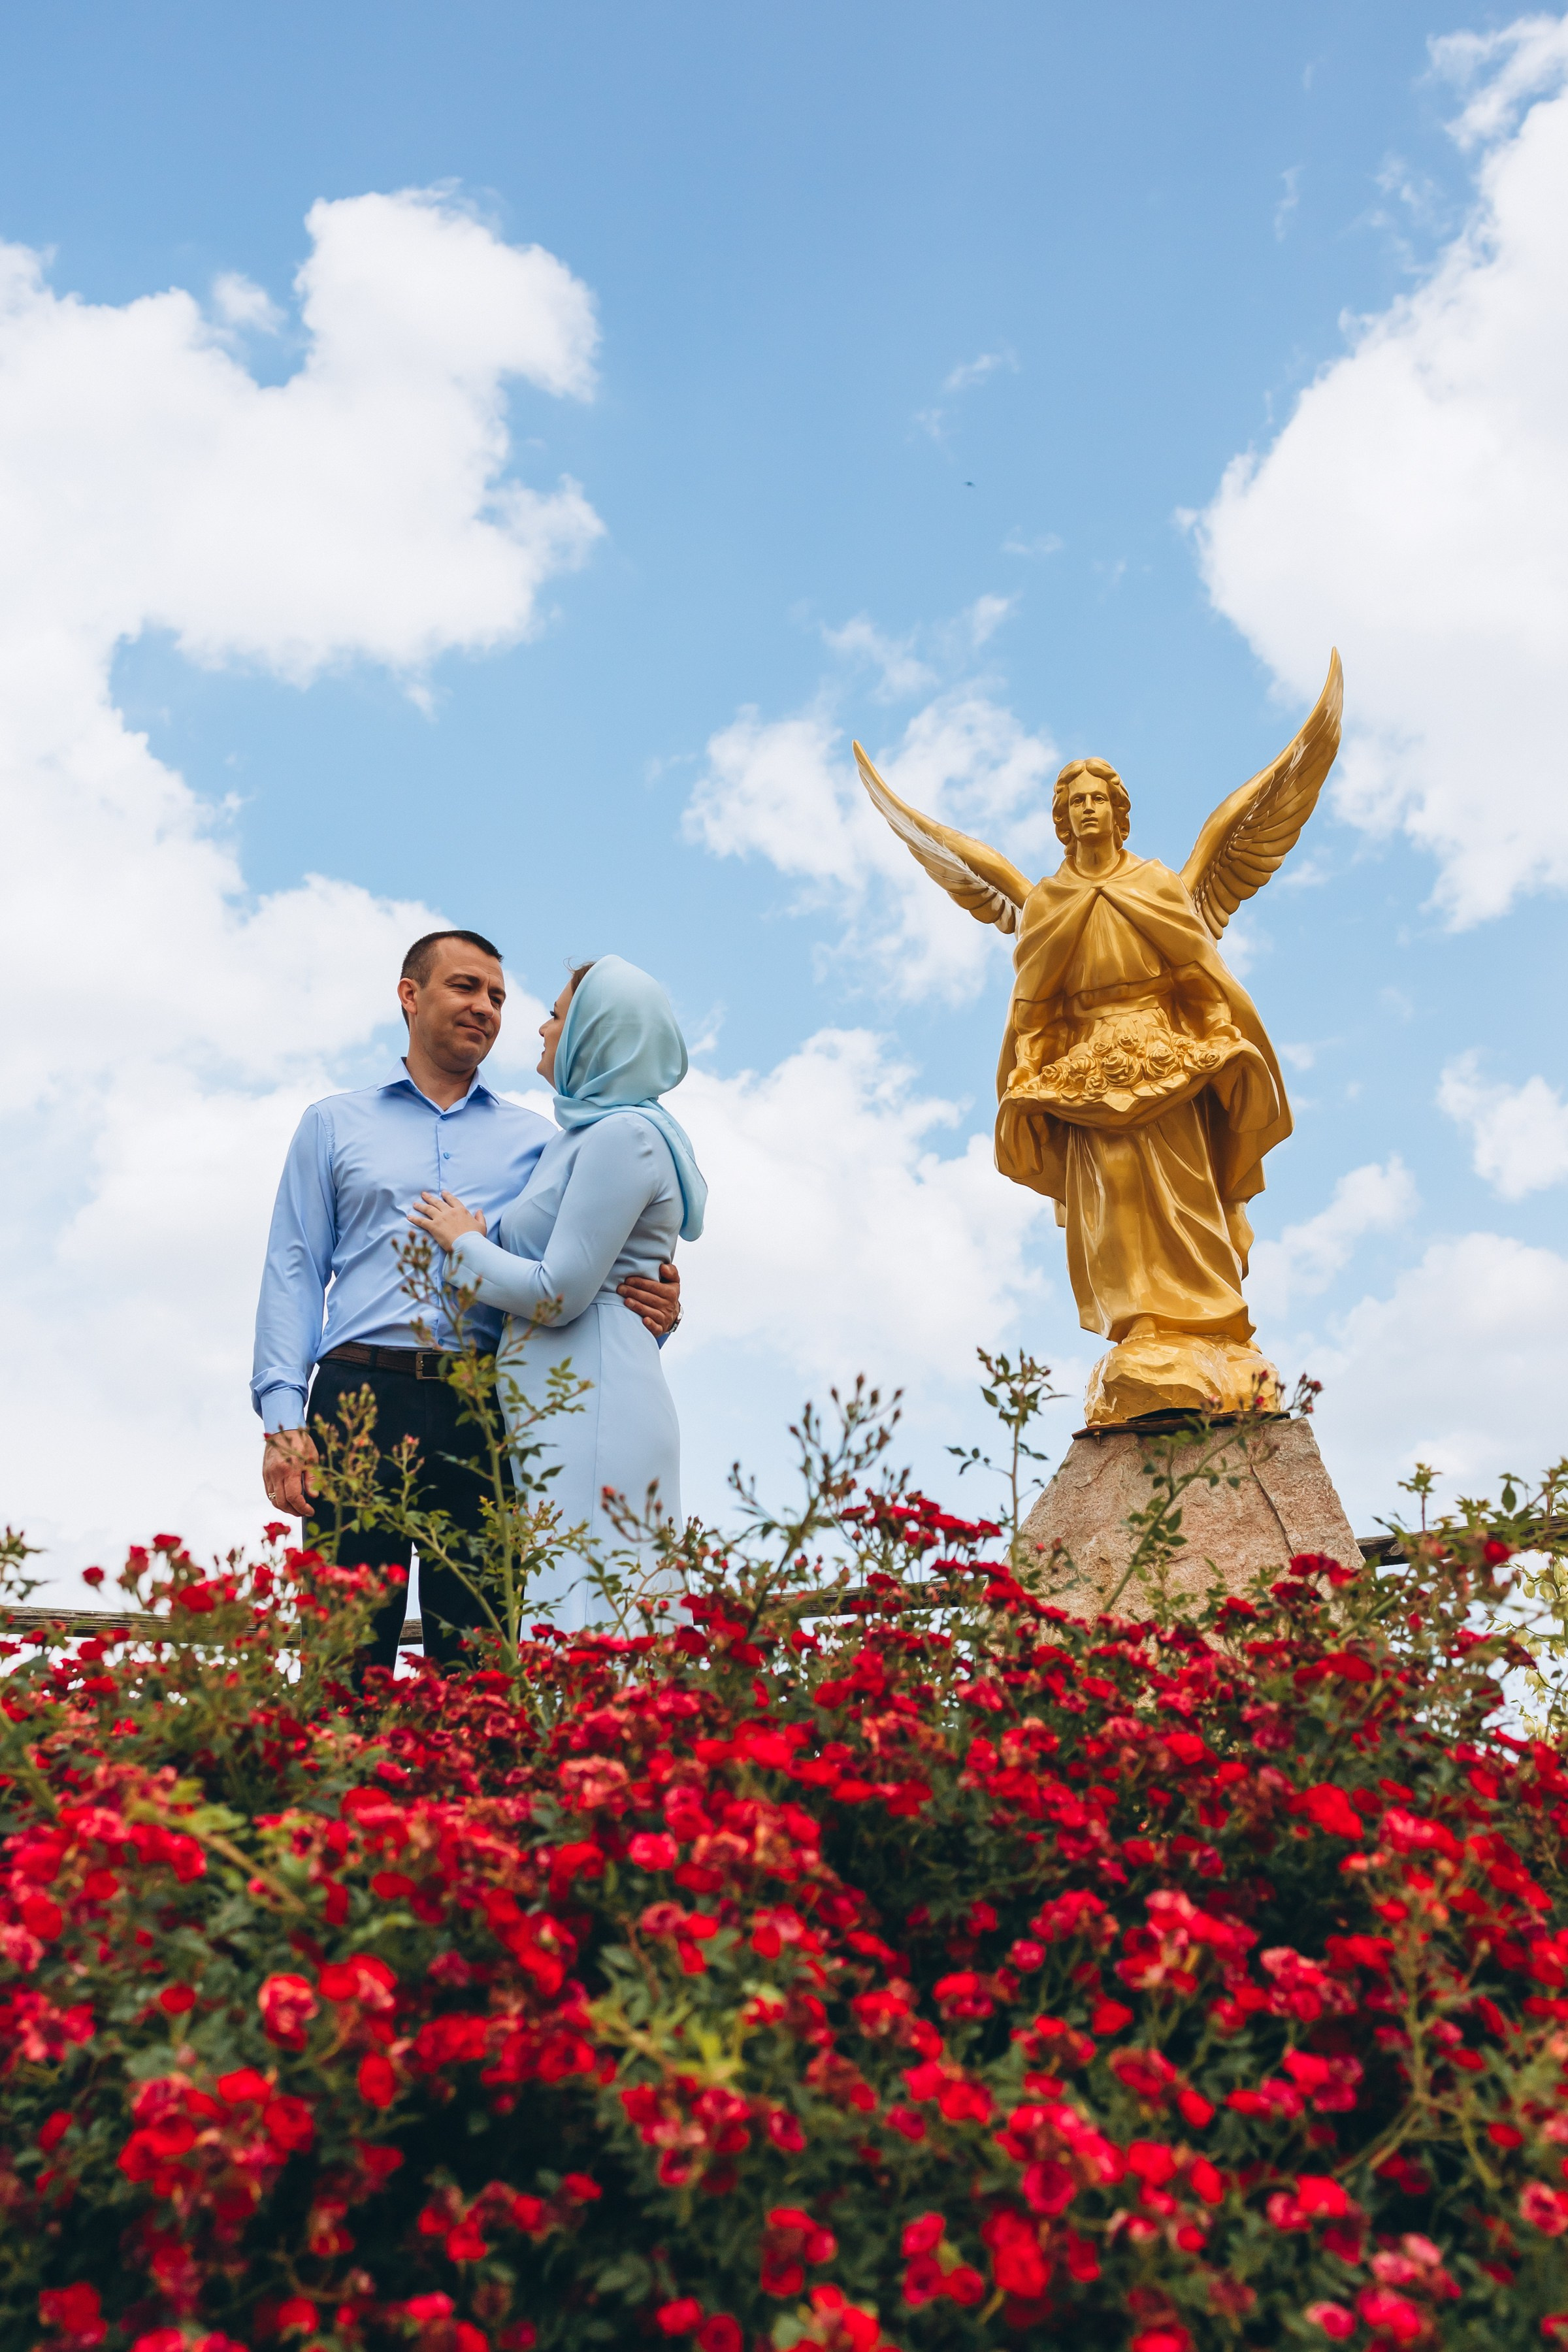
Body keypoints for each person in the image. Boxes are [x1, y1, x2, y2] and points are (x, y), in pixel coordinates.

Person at [252, 930, 681, 1669]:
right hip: (358, 1401)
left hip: (489, 1412)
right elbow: (294, 1270)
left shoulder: (544, 1143)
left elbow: (586, 1268)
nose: (486, 1006)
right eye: (465, 986)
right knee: (343, 1660)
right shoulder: (331, 1125)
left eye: (499, 997)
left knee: (479, 1666)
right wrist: (282, 1420)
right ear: (409, 995)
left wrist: (657, 1311)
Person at [410, 955, 704, 1619]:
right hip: (562, 1405)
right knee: (569, 1598)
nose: (542, 1030)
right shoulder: (580, 1137)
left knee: (594, 1602)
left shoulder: (625, 1137)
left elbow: (560, 1294)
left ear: (595, 1033)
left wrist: (464, 1244)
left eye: (557, 1016)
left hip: (594, 1403)